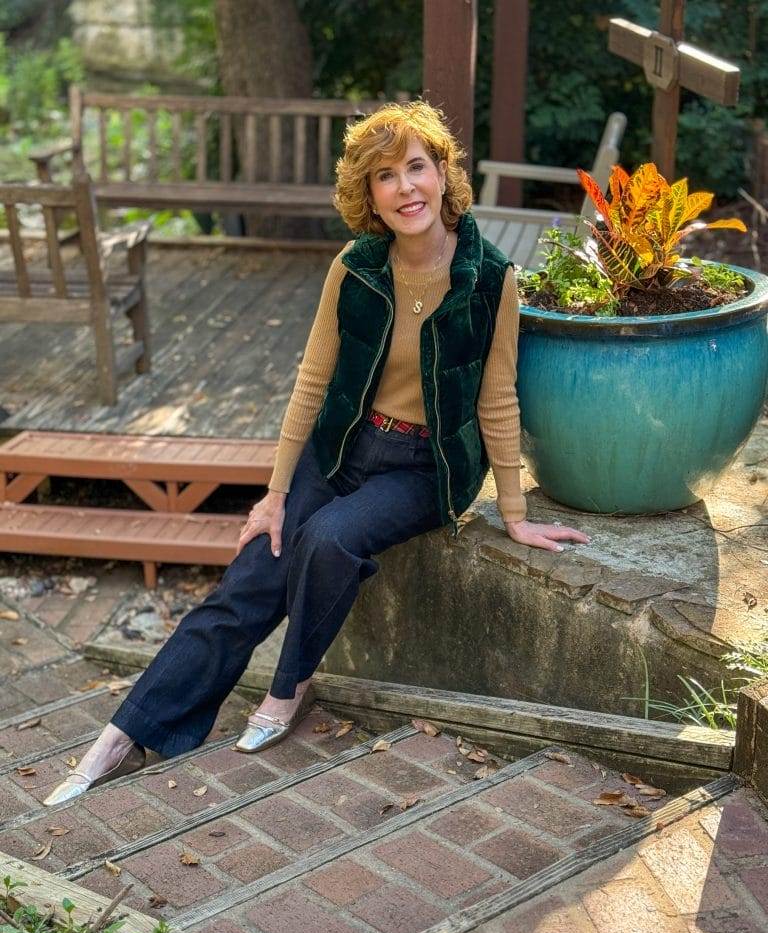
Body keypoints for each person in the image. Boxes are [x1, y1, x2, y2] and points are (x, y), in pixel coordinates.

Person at [44, 101, 589, 807]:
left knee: (330, 538)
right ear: (370, 196)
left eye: (416, 167)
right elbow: (311, 380)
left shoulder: (492, 281)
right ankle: (124, 734)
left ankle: (290, 682)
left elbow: (497, 400)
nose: (405, 188)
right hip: (341, 450)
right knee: (251, 578)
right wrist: (273, 495)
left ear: (444, 172)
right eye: (385, 177)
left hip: (426, 469)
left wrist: (513, 514)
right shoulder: (356, 267)